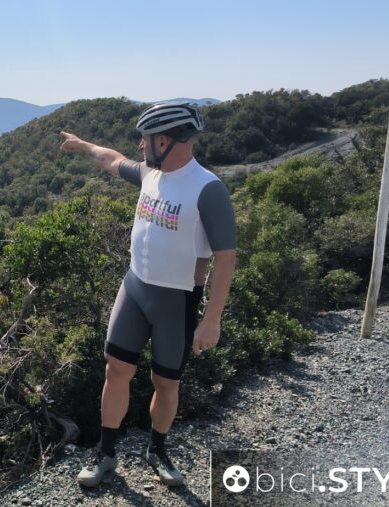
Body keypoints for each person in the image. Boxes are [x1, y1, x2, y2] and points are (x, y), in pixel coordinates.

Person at [59, 102, 236, 488]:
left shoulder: (208, 189)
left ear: (165, 140)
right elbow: (112, 159)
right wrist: (83, 145)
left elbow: (226, 258)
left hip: (177, 299)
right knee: (115, 368)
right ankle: (106, 454)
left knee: (165, 383)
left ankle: (157, 450)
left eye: (146, 139)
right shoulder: (149, 175)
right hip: (135, 286)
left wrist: (211, 320)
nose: (140, 146)